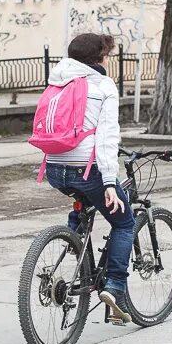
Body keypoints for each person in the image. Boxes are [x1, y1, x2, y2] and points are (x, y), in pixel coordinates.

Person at [44, 33, 135, 324]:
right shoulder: (103, 85)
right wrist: (110, 181)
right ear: (100, 59)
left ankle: (74, 235)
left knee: (85, 198)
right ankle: (115, 287)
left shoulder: (56, 78)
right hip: (88, 169)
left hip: (54, 167)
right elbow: (107, 138)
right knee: (124, 222)